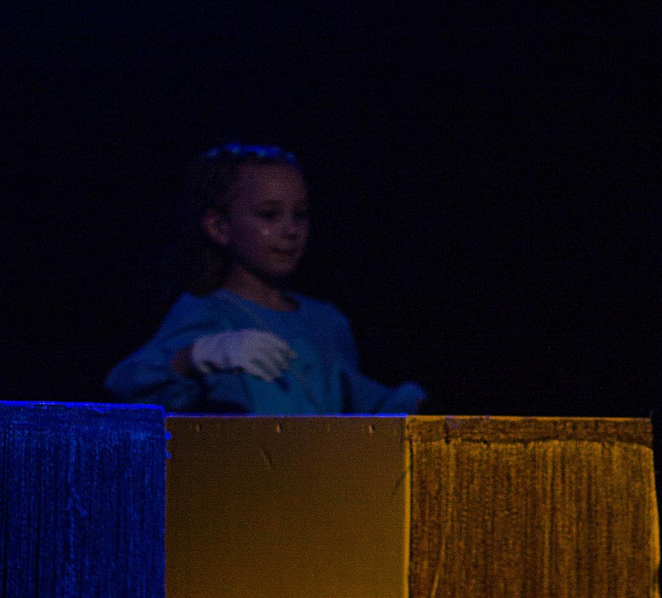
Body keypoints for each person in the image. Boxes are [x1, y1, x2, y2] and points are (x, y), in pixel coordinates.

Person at [107, 143, 425, 415]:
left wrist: (406, 404)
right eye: (269, 214)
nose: (291, 230)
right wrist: (195, 356)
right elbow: (126, 387)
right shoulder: (207, 313)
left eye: (300, 214)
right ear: (219, 227)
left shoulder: (326, 321)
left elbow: (354, 403)